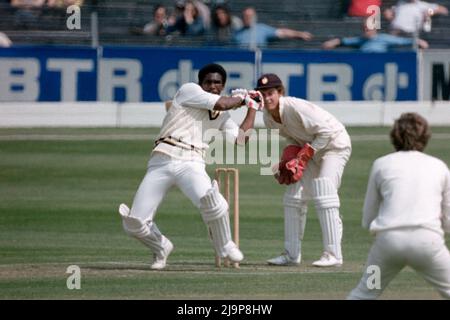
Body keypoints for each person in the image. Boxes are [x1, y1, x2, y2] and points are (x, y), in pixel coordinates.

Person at [118, 63, 263, 270]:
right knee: (134, 223)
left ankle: (226, 245)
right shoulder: (189, 91)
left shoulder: (222, 115)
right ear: (200, 83)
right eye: (209, 82)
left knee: (213, 202)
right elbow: (222, 103)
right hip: (161, 159)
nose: (213, 86)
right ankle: (161, 247)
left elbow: (241, 140)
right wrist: (243, 98)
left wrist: (252, 108)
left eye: (217, 83)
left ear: (223, 85)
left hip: (192, 162)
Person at [247, 73, 352, 267]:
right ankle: (291, 254)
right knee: (293, 196)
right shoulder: (268, 117)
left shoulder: (295, 107)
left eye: (271, 93)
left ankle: (333, 254)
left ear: (280, 93)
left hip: (335, 146)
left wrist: (303, 156)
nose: (267, 98)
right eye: (263, 94)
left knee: (324, 192)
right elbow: (293, 138)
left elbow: (326, 133)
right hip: (312, 149)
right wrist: (289, 159)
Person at [348, 113, 450, 299]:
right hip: (428, 244)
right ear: (425, 136)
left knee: (363, 294)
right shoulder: (439, 166)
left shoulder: (381, 164)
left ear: (394, 136)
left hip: (388, 245)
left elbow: (368, 218)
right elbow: (448, 220)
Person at [322, 17, 429, 52]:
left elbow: (402, 41)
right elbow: (343, 41)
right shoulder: (360, 39)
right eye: (364, 28)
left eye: (368, 28)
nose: (366, 30)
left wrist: (419, 42)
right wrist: (332, 42)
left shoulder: (384, 38)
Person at [233, 7, 312, 48]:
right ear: (242, 17)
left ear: (255, 17)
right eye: (245, 16)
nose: (248, 18)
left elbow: (283, 33)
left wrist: (299, 34)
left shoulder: (262, 29)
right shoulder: (237, 33)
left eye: (250, 16)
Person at [384, 0, 448, 35]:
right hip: (394, 33)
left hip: (410, 34)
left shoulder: (421, 5)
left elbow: (443, 10)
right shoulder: (400, 3)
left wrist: (429, 12)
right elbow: (389, 12)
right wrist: (389, 13)